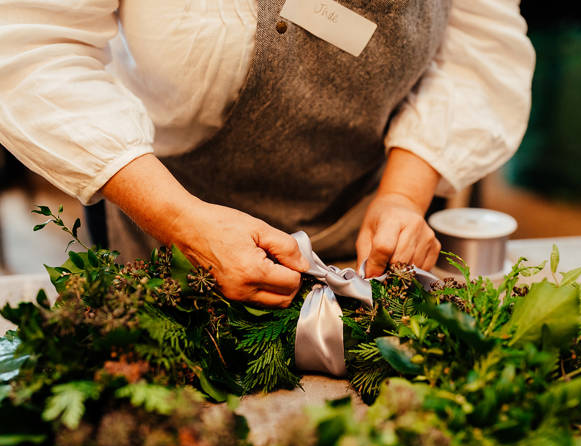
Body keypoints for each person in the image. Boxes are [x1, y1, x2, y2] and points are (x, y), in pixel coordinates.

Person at [0, 0, 534, 307]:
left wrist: (402, 196)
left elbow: (479, 46)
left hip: (365, 233)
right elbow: (33, 46)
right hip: (165, 235)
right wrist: (181, 219)